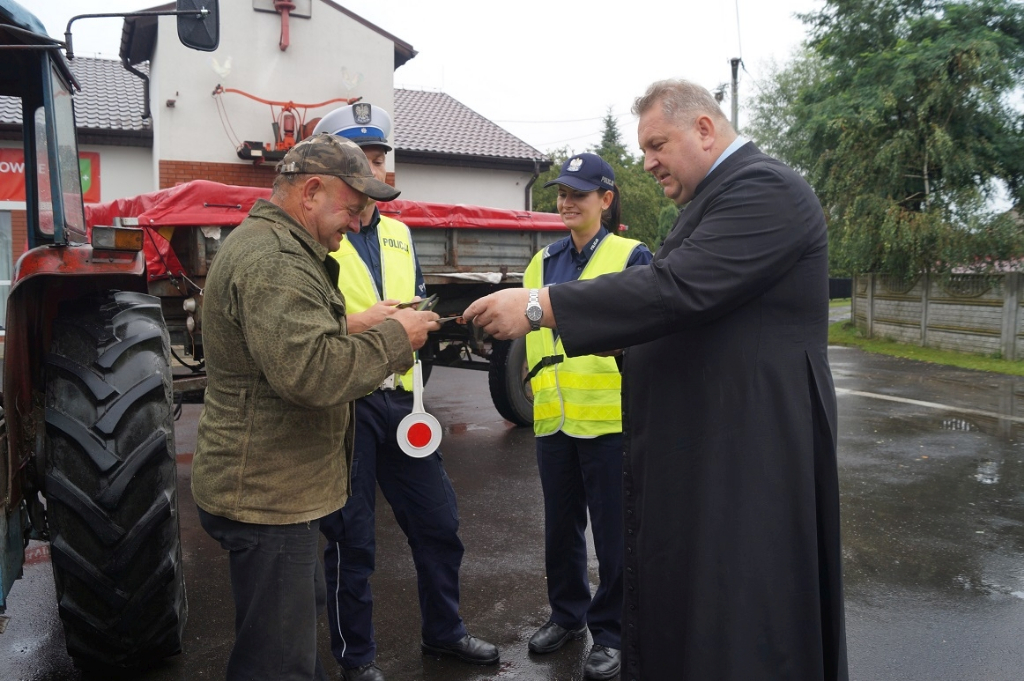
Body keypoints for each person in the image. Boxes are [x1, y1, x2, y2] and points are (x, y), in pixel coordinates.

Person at [465, 79, 848, 681]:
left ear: (703, 128)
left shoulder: (765, 189)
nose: (647, 163)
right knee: (703, 607)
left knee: (748, 614)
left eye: (656, 144)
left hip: (753, 449)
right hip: (715, 443)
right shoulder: (715, 200)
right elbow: (696, 313)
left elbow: (678, 290)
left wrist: (540, 307)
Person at [191, 133, 441, 681]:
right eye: (351, 210)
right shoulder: (275, 260)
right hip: (268, 499)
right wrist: (397, 340)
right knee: (279, 666)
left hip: (278, 494)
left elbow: (288, 347)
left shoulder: (281, 248)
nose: (355, 225)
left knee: (290, 651)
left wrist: (355, 325)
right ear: (311, 192)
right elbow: (311, 373)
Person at [309, 103, 500, 681]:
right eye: (363, 160)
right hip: (349, 404)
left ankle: (445, 632)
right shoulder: (316, 238)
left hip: (403, 400)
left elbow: (412, 297)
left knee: (438, 523)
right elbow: (309, 326)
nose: (376, 171)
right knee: (352, 540)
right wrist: (375, 321)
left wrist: (423, 320)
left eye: (379, 159)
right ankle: (357, 660)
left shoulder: (397, 231)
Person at [522, 153, 651, 680]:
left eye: (578, 193)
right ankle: (567, 615)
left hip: (610, 422)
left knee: (615, 534)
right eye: (561, 193)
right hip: (554, 421)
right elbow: (531, 337)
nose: (566, 202)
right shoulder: (542, 261)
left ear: (606, 199)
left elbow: (648, 335)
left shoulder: (632, 256)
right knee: (561, 527)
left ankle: (613, 633)